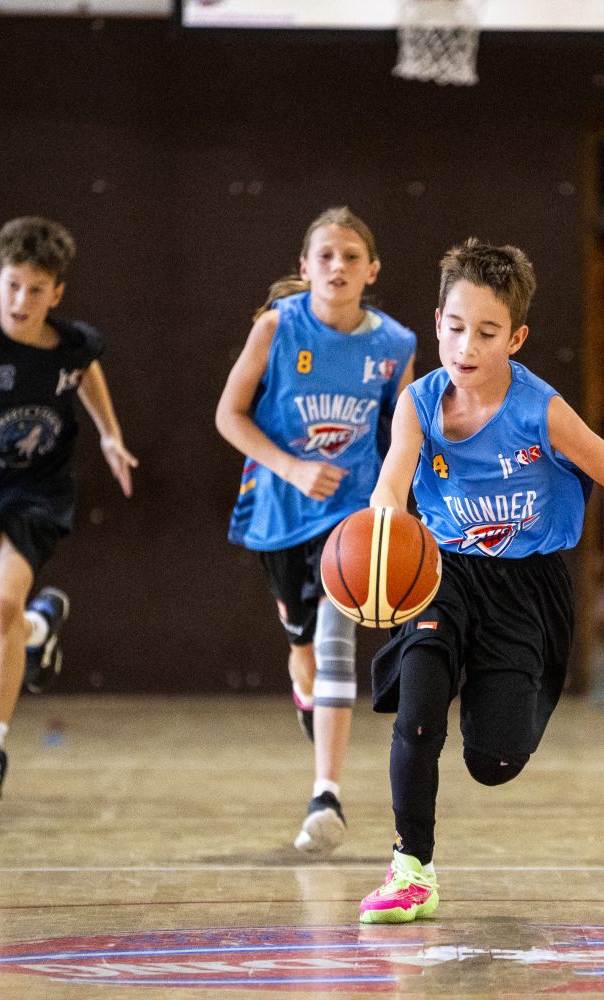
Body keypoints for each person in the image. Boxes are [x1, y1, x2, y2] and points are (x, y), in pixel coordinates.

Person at [357, 237, 604, 924]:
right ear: (436, 320)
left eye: (486, 332)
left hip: (529, 586)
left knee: (493, 762)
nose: (465, 346)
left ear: (517, 338)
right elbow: (391, 482)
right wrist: (381, 540)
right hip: (444, 573)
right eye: (454, 327)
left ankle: (486, 678)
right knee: (418, 714)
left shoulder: (542, 411)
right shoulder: (418, 403)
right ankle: (411, 869)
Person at [215, 207, 416, 854]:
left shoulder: (395, 344)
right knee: (302, 652)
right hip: (281, 510)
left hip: (351, 515)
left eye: (351, 256)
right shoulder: (277, 327)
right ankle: (308, 698)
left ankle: (325, 795)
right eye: (325, 255)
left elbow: (404, 434)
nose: (338, 266)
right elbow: (229, 415)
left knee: (335, 642)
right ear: (305, 267)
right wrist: (293, 468)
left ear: (372, 269)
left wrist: (398, 504)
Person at [0, 217, 138, 802]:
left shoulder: (72, 345)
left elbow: (85, 373)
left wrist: (110, 435)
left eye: (36, 290)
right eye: (13, 286)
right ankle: (41, 626)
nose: (22, 301)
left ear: (57, 293)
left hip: (36, 495)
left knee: (1, 607)